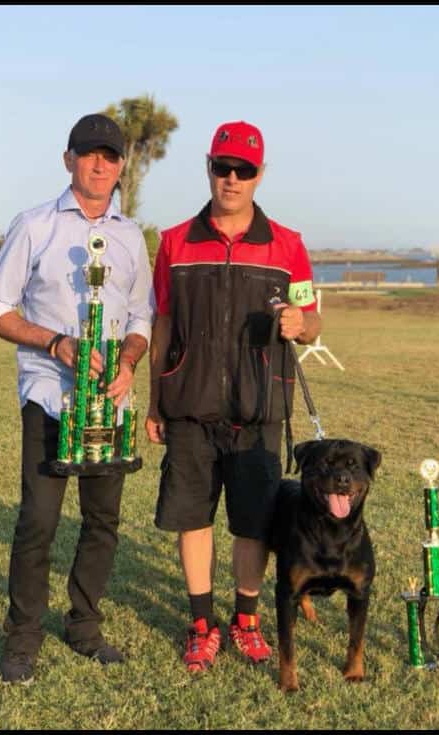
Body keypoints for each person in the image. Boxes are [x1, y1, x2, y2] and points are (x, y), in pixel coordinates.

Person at [0, 113, 153, 684]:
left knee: (103, 522)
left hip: (111, 405)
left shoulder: (129, 236)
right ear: (68, 159)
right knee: (38, 521)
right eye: (88, 153)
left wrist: (127, 359)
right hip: (51, 398)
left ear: (121, 165)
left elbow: (142, 316)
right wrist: (57, 344)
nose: (99, 164)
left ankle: (84, 628)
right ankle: (23, 639)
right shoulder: (35, 226)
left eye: (109, 155)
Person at [145, 120, 321, 672]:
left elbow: (312, 320)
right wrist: (154, 400)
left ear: (259, 174)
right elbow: (163, 322)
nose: (232, 179)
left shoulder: (288, 244)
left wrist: (302, 323)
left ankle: (247, 620)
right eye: (223, 168)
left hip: (260, 407)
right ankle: (202, 624)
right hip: (190, 407)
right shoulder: (174, 241)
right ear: (208, 168)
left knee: (252, 524)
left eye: (244, 170)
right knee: (192, 519)